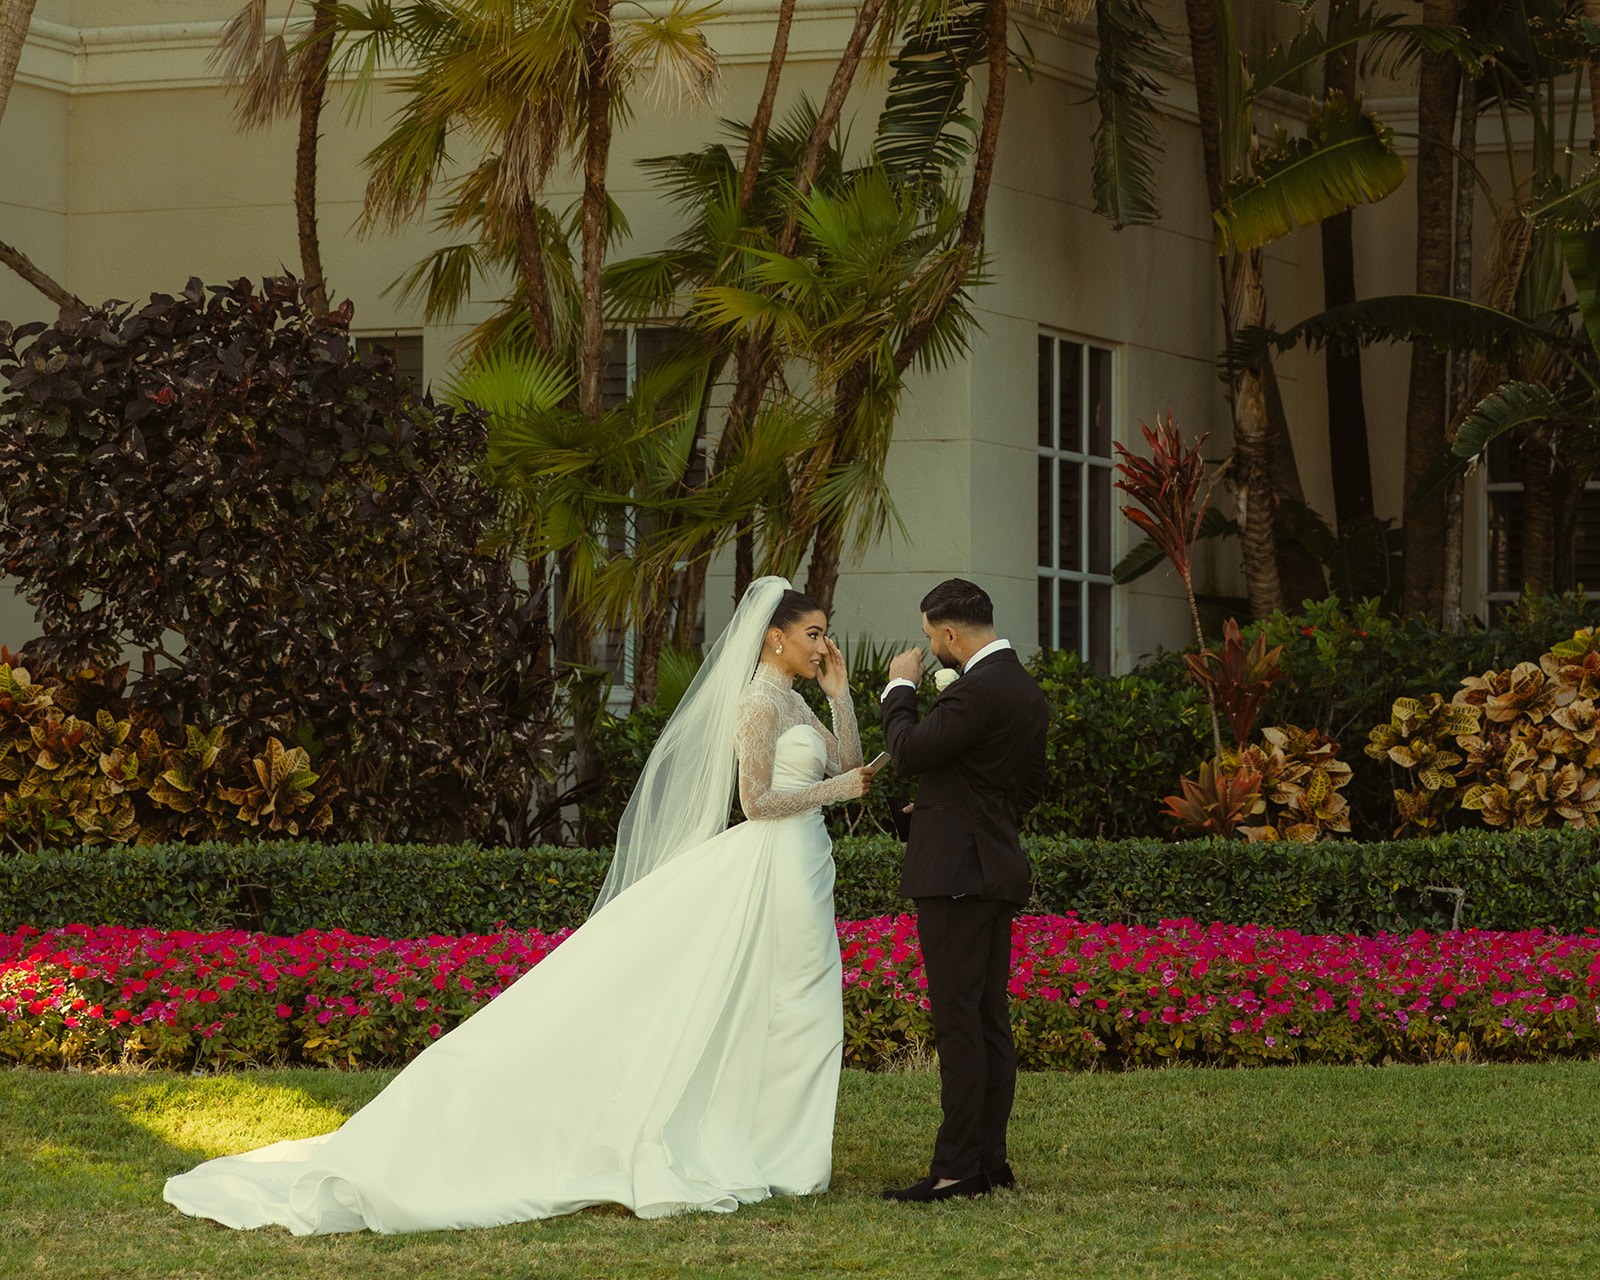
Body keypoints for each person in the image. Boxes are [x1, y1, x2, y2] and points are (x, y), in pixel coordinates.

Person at [163, 577, 875, 1234]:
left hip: (804, 866)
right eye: (813, 634)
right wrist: (836, 794)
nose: (823, 645)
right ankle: (776, 1158)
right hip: (769, 866)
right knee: (783, 1004)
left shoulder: (795, 698)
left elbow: (849, 767)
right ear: (774, 638)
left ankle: (787, 1154)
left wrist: (842, 695)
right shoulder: (755, 702)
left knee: (799, 1008)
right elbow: (756, 802)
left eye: (824, 634)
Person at [877, 578, 1049, 1203]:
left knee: (958, 1023)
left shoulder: (976, 690)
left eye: (929, 638)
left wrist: (900, 686)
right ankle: (988, 1160)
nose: (930, 649)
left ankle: (955, 1170)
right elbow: (1025, 789)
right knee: (987, 1020)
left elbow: (907, 750)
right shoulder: (1024, 689)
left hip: (956, 878)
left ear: (948, 633)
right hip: (994, 868)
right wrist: (948, 808)